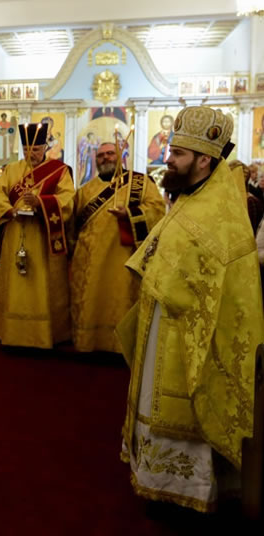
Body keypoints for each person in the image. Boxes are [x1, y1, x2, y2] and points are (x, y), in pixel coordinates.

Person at [118, 106, 263, 513]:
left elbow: (215, 280)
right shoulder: (189, 197)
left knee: (185, 408)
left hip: (193, 334)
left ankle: (189, 489)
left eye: (178, 154)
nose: (169, 159)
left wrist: (168, 278)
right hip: (163, 323)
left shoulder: (220, 210)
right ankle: (155, 474)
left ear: (203, 160)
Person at [69, 142, 165, 353]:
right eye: (101, 155)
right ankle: (90, 342)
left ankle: (120, 345)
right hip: (90, 260)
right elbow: (73, 223)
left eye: (110, 153)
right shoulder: (85, 190)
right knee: (92, 301)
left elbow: (157, 210)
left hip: (122, 259)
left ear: (120, 156)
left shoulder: (140, 183)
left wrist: (130, 214)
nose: (105, 158)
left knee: (120, 301)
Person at [0, 122, 74, 348]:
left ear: (45, 147)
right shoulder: (12, 169)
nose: (30, 154)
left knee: (41, 281)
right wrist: (10, 210)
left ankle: (44, 333)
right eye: (26, 149)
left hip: (44, 235)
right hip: (16, 230)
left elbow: (68, 199)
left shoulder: (59, 171)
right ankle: (11, 331)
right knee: (15, 281)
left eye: (35, 149)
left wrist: (41, 203)